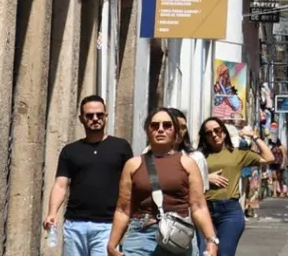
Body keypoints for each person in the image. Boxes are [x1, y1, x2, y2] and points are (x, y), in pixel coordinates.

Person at [107, 107, 220, 256]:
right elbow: (123, 209)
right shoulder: (133, 165)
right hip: (141, 235)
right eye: (155, 126)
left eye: (167, 125)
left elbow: (198, 206)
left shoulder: (187, 163)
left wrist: (211, 240)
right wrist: (112, 244)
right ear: (148, 131)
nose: (160, 129)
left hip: (178, 236)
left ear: (176, 132)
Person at [43, 95, 133, 256]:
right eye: (89, 116)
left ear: (106, 116)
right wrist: (52, 212)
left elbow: (131, 184)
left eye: (99, 114)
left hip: (108, 225)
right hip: (74, 225)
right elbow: (60, 185)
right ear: (81, 119)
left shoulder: (121, 147)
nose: (95, 119)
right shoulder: (70, 151)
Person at [197, 117, 273, 256]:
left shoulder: (237, 153)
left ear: (224, 132)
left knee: (224, 253)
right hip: (204, 210)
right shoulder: (199, 156)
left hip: (229, 212)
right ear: (204, 137)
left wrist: (254, 137)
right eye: (208, 133)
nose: (214, 135)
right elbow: (185, 179)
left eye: (217, 130)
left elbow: (269, 158)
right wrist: (206, 178)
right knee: (205, 253)